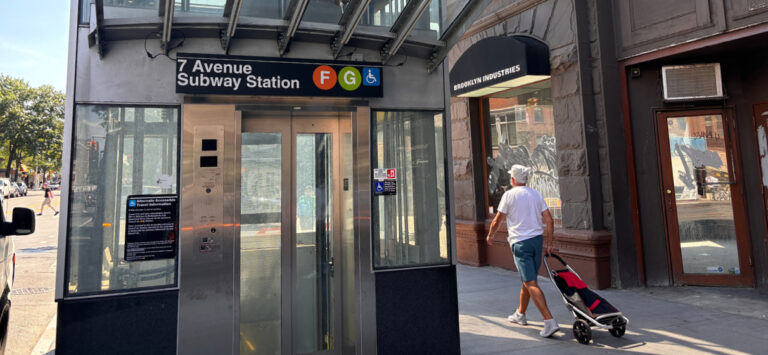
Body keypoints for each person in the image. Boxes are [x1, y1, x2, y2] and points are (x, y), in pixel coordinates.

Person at [486, 164, 559, 338]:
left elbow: (497, 220)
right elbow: (549, 220)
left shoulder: (509, 195)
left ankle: (549, 321)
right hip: (536, 242)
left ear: (512, 179)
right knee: (528, 279)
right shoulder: (536, 194)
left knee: (531, 282)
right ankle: (520, 314)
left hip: (520, 243)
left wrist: (490, 235)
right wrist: (549, 243)